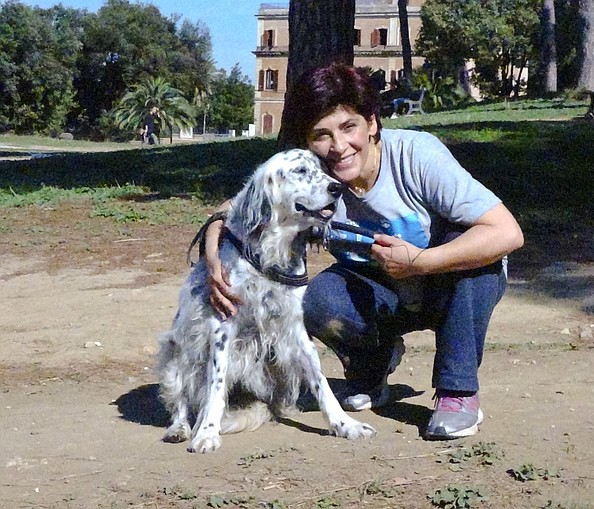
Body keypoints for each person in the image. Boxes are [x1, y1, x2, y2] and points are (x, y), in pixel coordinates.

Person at [202, 63, 524, 440]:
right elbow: (235, 208)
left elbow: (507, 232)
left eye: (348, 127)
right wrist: (213, 253)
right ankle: (372, 371)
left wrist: (423, 261)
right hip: (383, 291)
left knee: (472, 251)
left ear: (371, 123)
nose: (338, 147)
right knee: (316, 299)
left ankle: (457, 392)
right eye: (321, 135)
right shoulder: (315, 181)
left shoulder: (417, 156)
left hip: (447, 285)